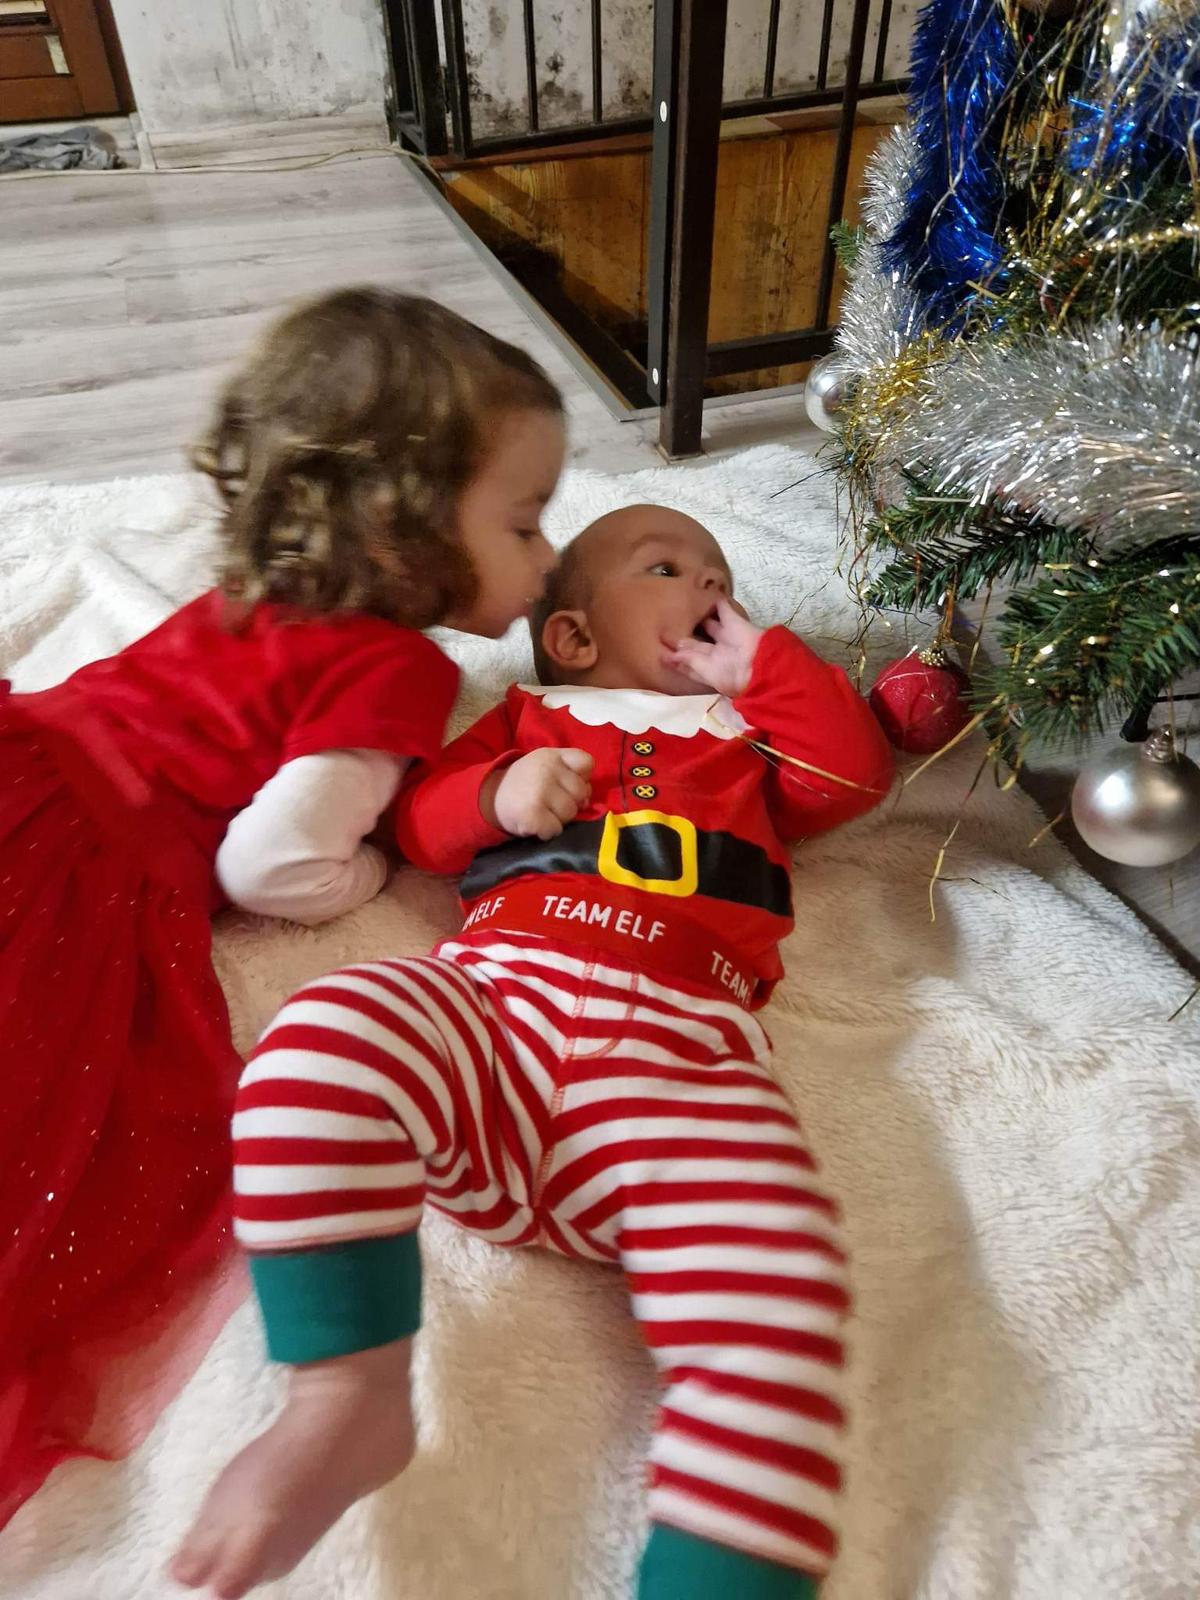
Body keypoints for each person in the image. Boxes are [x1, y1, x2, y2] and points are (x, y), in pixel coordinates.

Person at [171, 504, 894, 1600]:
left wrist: (769, 670)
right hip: (499, 1007)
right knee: (315, 1044)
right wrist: (496, 794)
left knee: (783, 1280)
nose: (711, 588)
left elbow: (851, 779)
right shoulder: (527, 715)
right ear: (573, 636)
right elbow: (421, 827)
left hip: (681, 1059)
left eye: (723, 576)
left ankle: (719, 1575)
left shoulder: (750, 733)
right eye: (670, 568)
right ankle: (345, 1392)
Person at [0, 287, 565, 1528]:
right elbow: (272, 864)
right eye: (525, 523)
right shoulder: (396, 669)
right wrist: (367, 877)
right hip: (89, 864)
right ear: (407, 530)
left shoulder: (251, 594)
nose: (545, 560)